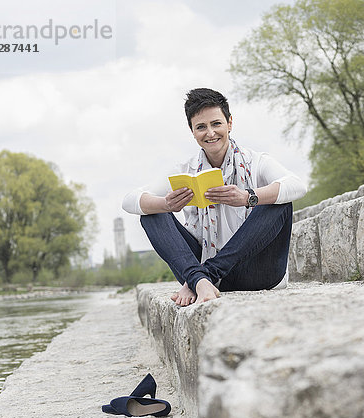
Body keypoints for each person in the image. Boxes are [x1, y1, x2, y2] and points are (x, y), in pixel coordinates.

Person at [123, 88, 307, 305]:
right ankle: (200, 278)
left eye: (216, 124)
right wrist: (166, 203)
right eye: (201, 127)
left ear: (229, 123)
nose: (210, 133)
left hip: (256, 272)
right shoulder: (185, 170)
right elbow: (129, 200)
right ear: (192, 131)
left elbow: (297, 185)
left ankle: (204, 275)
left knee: (278, 201)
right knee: (152, 213)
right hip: (197, 271)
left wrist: (248, 196)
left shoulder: (256, 161)